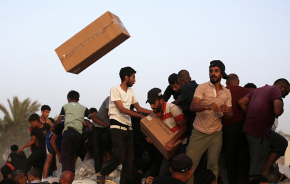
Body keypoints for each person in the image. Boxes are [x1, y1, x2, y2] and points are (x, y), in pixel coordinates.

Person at [97, 66, 153, 184]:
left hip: (129, 128)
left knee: (129, 160)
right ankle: (102, 172)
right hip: (117, 127)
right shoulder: (115, 89)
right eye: (133, 77)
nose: (135, 80)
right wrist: (140, 116)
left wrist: (154, 112)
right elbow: (121, 109)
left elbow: (138, 108)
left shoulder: (131, 91)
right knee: (120, 157)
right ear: (126, 77)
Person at [186, 60, 233, 184]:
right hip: (199, 131)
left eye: (216, 71)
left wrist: (226, 111)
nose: (213, 73)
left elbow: (230, 115)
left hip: (216, 133)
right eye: (211, 71)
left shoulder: (227, 92)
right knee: (189, 165)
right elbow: (193, 107)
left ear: (222, 74)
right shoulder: (202, 87)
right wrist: (207, 106)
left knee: (213, 166)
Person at [239, 78, 290, 183]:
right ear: (281, 87)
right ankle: (259, 175)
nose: (284, 96)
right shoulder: (276, 90)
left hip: (258, 129)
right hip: (258, 131)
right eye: (285, 93)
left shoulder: (259, 90)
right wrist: (282, 105)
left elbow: (241, 102)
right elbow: (278, 111)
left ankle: (265, 170)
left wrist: (249, 116)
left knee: (281, 142)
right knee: (255, 170)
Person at [53, 90, 108, 173]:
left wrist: (53, 127)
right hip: (78, 134)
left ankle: (66, 177)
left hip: (69, 131)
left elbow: (58, 121)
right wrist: (105, 124)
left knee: (65, 156)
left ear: (68, 98)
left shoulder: (65, 106)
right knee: (72, 155)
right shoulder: (83, 108)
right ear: (78, 100)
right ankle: (71, 176)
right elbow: (93, 118)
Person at [146, 88, 187, 176]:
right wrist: (152, 141)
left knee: (179, 173)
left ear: (161, 100)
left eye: (153, 103)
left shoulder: (173, 109)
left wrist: (171, 142)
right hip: (169, 148)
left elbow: (183, 128)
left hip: (182, 145)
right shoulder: (156, 114)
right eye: (150, 104)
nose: (151, 106)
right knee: (164, 173)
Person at [222, 73, 250, 184]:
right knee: (243, 160)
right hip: (244, 129)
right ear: (238, 81)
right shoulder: (247, 92)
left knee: (230, 160)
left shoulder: (223, 91)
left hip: (228, 128)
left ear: (226, 82)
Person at [91, 97, 112, 173]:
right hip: (98, 127)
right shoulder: (110, 98)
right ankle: (99, 173)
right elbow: (108, 113)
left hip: (108, 127)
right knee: (97, 152)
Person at [177, 69, 198, 138]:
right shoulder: (197, 86)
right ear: (190, 78)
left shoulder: (184, 87)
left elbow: (191, 106)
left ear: (179, 80)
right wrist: (180, 101)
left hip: (193, 123)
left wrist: (181, 109)